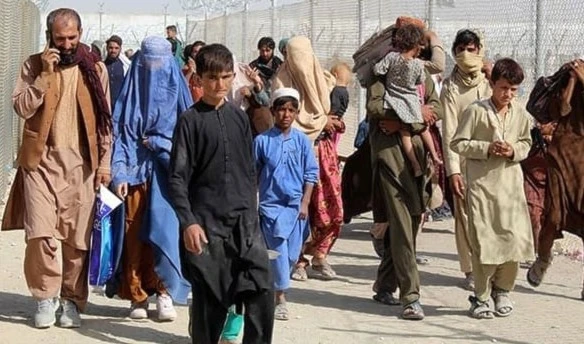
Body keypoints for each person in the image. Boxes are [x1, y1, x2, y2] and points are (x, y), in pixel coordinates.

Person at [1, 8, 112, 329]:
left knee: (77, 241)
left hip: (82, 167)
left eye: (72, 38)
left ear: (80, 33)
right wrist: (45, 75)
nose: (66, 45)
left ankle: (70, 300)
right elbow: (22, 107)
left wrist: (104, 164)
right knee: (40, 235)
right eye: (60, 38)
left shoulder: (95, 69)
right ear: (50, 36)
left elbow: (105, 120)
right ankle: (45, 297)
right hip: (40, 165)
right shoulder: (33, 65)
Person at [168, 43, 274, 344]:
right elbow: (177, 177)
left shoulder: (239, 117)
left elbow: (248, 170)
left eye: (226, 77)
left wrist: (253, 216)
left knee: (261, 289)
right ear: (199, 78)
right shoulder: (189, 121)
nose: (220, 85)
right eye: (212, 78)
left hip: (244, 224)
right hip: (206, 226)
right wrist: (188, 222)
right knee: (209, 304)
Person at [108, 36, 192, 321]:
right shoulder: (129, 91)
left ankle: (165, 291)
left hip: (168, 175)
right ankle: (137, 296)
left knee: (165, 232)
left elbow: (188, 137)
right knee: (134, 236)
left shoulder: (180, 95)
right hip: (133, 172)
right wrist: (119, 170)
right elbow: (120, 132)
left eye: (160, 63)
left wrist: (161, 143)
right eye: (148, 63)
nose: (154, 70)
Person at [450, 58, 533, 319]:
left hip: (510, 188)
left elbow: (526, 143)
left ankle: (503, 291)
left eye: (513, 89)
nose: (507, 94)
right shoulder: (476, 111)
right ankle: (481, 297)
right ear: (492, 84)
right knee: (485, 243)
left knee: (512, 241)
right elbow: (458, 143)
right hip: (483, 189)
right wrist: (486, 148)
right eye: (503, 88)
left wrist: (513, 151)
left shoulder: (519, 113)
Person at [273, 36, 344, 280]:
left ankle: (321, 256)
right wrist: (322, 122)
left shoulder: (323, 79)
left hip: (324, 153)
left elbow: (326, 107)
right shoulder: (281, 82)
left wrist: (325, 121)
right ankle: (298, 260)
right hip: (294, 154)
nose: (301, 65)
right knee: (300, 208)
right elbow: (287, 119)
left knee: (331, 207)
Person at [254, 87, 319, 321]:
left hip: (296, 208)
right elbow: (253, 173)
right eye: (281, 109)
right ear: (273, 111)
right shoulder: (261, 141)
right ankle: (280, 297)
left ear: (296, 113)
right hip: (271, 208)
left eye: (291, 110)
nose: (286, 115)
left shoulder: (302, 141)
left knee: (291, 255)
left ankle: (275, 285)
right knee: (279, 252)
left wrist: (305, 202)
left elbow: (311, 174)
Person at [527, 59, 584, 301]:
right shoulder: (571, 74)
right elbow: (561, 110)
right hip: (561, 157)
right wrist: (572, 79)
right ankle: (543, 259)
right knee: (553, 217)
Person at [441, 29, 491, 291]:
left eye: (471, 49)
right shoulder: (451, 87)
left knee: (490, 217)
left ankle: (492, 266)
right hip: (463, 162)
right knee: (465, 217)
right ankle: (471, 269)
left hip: (491, 161)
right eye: (460, 50)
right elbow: (449, 130)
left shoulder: (490, 82)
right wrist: (453, 171)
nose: (466, 55)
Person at [374, 24, 442, 177]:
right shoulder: (418, 65)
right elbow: (421, 80)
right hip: (412, 102)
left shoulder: (391, 58)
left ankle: (416, 164)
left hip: (395, 101)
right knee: (423, 130)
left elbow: (379, 69)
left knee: (405, 134)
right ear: (418, 46)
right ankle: (434, 155)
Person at [329, 62, 352, 148]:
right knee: (334, 144)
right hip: (339, 119)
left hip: (332, 120)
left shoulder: (336, 91)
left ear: (335, 75)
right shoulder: (345, 92)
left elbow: (334, 105)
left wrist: (328, 115)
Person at [104, 35, 130, 107]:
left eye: (116, 48)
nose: (113, 51)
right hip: (105, 105)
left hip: (120, 105)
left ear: (120, 49)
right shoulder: (102, 66)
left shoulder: (124, 66)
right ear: (107, 48)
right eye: (111, 48)